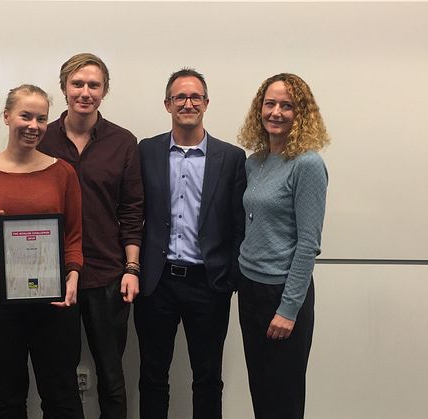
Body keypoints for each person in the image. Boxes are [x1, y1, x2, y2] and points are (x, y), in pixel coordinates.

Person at [0, 84, 84, 419]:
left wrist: (72, 274)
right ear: (6, 116)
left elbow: (73, 235)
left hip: (53, 296)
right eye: (25, 116)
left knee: (61, 395)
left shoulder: (62, 172)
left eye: (41, 118)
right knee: (10, 397)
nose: (34, 125)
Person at [135, 68, 246, 419]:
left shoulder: (231, 158)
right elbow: (134, 212)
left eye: (195, 96)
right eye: (180, 97)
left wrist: (229, 277)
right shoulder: (146, 151)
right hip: (157, 282)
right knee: (152, 376)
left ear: (206, 103)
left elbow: (238, 225)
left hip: (208, 283)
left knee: (208, 378)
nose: (187, 103)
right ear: (168, 104)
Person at [37, 52, 143, 419]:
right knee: (57, 377)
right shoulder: (41, 138)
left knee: (112, 377)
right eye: (77, 84)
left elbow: (132, 210)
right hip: (53, 275)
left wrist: (132, 267)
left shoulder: (123, 142)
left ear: (104, 90)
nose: (85, 92)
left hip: (107, 275)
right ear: (64, 88)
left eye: (93, 85)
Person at [236, 73, 329, 419]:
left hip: (283, 294)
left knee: (284, 399)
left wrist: (289, 309)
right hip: (251, 290)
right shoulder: (255, 162)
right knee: (261, 390)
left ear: (301, 113)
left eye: (287, 105)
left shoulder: (307, 164)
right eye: (270, 103)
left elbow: (308, 244)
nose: (276, 112)